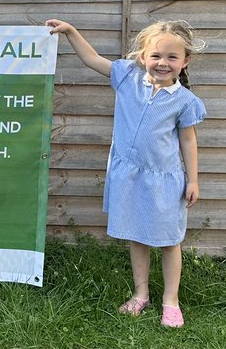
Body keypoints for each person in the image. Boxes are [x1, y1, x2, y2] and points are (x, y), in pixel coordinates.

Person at [46, 19, 205, 328]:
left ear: (185, 61)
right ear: (143, 57)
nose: (163, 63)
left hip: (164, 180)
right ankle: (140, 293)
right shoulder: (127, 79)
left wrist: (194, 180)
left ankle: (171, 301)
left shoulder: (185, 101)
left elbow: (188, 139)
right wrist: (70, 32)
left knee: (169, 240)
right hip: (130, 176)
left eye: (172, 57)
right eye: (156, 55)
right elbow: (92, 59)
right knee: (137, 235)